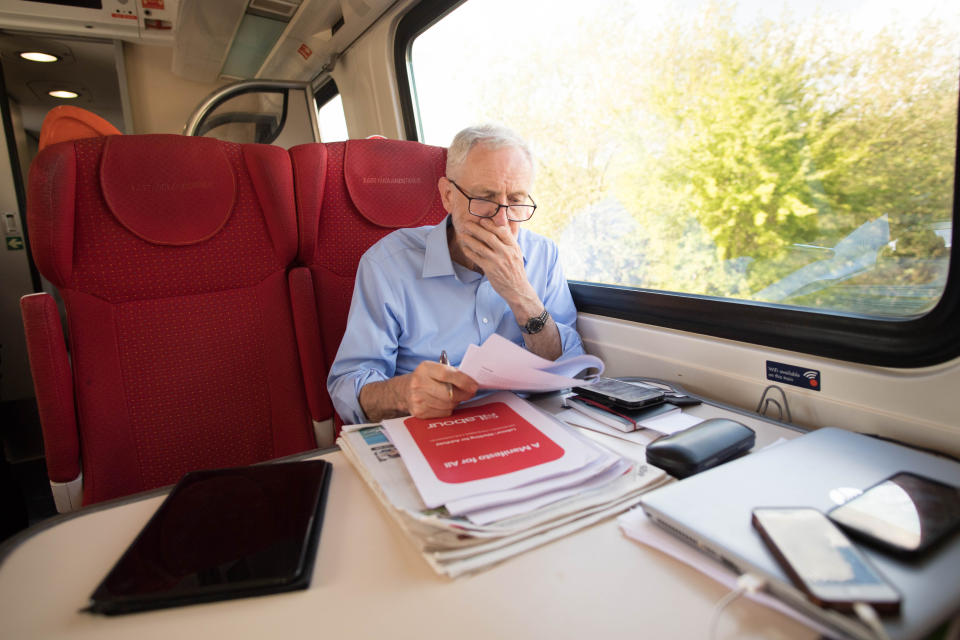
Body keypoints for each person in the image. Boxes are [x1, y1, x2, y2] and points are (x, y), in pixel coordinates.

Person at [327, 124, 585, 424]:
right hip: (430, 429)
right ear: (448, 196)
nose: (502, 222)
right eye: (485, 199)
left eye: (515, 200)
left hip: (528, 423)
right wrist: (403, 393)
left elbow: (569, 370)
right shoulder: (387, 265)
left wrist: (521, 294)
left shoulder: (545, 255)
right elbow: (346, 389)